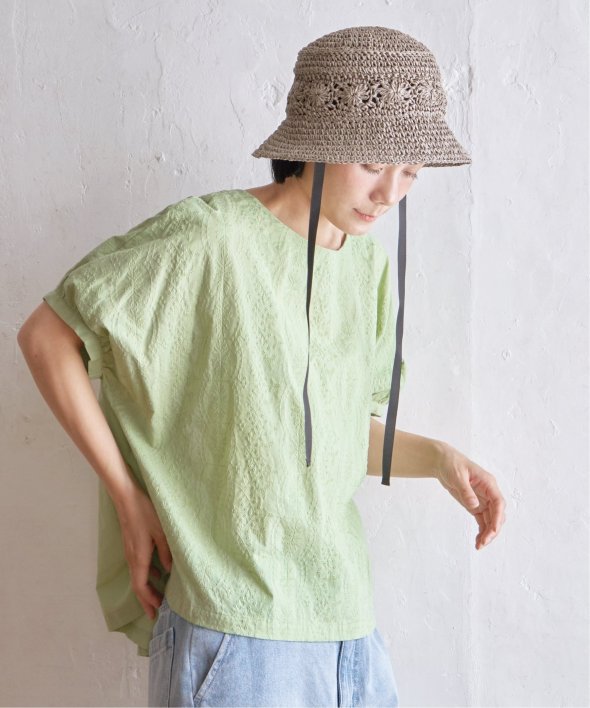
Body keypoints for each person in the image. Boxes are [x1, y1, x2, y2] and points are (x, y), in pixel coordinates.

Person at [17, 25, 506, 707]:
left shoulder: (366, 267)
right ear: (315, 140)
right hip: (234, 631)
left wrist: (440, 459)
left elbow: (331, 433)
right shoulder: (212, 236)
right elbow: (47, 336)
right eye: (374, 163)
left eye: (411, 172)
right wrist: (129, 499)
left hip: (349, 630)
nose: (391, 193)